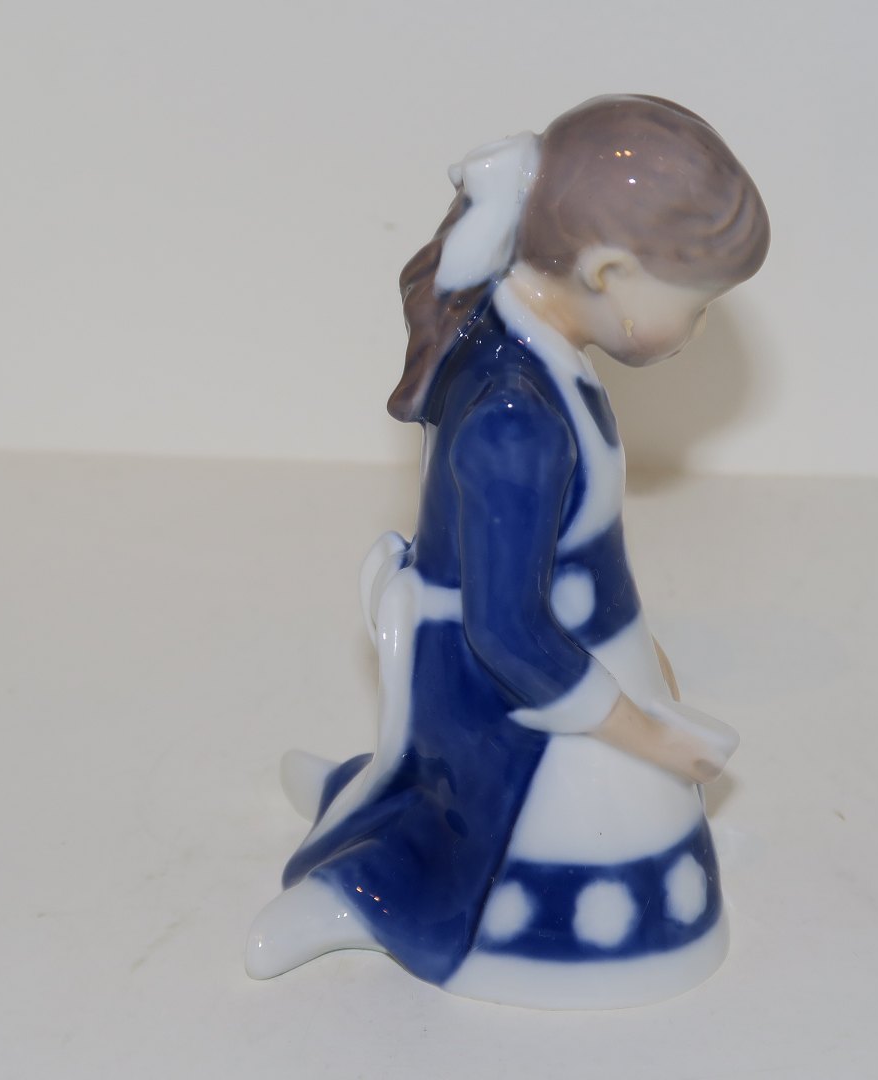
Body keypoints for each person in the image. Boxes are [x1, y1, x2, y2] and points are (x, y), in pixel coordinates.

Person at [246, 94, 770, 1008]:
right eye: (692, 310)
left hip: (574, 643)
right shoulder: (516, 419)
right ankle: (370, 887)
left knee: (629, 804)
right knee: (586, 823)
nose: (694, 336)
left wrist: (642, 662)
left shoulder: (530, 347)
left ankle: (374, 800)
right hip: (508, 682)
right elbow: (508, 632)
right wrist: (652, 733)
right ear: (610, 272)